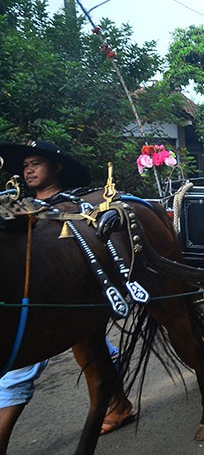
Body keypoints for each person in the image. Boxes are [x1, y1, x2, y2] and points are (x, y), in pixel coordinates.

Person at [0, 141, 133, 453]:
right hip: (53, 294)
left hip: (50, 294)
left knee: (20, 370)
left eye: (36, 163)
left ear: (56, 168)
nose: (28, 169)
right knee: (92, 345)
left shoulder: (77, 206)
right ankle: (118, 402)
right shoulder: (16, 205)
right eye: (25, 166)